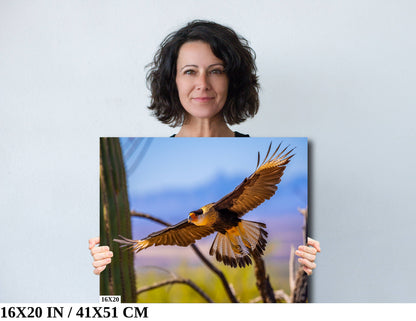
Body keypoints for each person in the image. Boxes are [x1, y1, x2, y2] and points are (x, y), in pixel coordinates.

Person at [90, 20, 320, 276]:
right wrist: (104, 265)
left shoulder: (250, 159)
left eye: (216, 70)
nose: (203, 83)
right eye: (189, 71)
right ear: (172, 81)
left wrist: (313, 263)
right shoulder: (190, 221)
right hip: (224, 234)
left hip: (238, 225)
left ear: (232, 80)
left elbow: (266, 175)